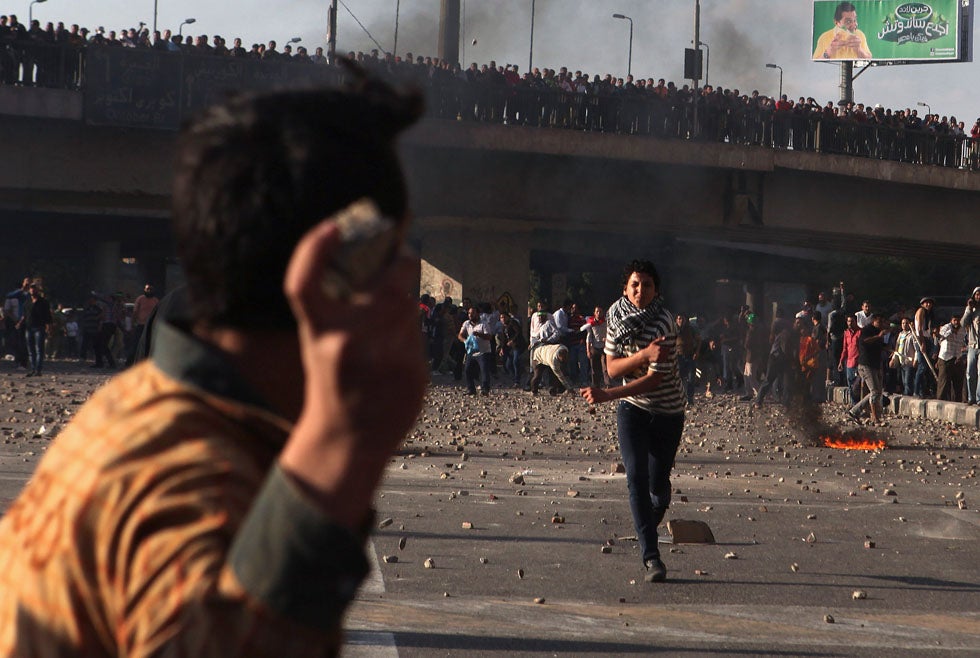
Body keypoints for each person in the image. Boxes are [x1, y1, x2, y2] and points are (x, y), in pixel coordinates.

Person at [0, 70, 429, 654]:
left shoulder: (143, 409)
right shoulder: (195, 479)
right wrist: (340, 450)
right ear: (340, 267)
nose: (408, 275)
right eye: (397, 251)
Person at [579, 259, 684, 583]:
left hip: (667, 412)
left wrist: (610, 394)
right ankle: (652, 557)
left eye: (648, 285)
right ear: (625, 288)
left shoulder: (665, 323)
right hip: (631, 408)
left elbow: (654, 380)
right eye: (635, 284)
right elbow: (611, 368)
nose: (641, 290)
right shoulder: (615, 315)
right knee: (635, 476)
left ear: (657, 290)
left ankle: (657, 507)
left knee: (657, 484)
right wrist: (640, 357)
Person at [848, 313, 888, 424]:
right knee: (874, 391)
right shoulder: (867, 330)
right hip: (866, 365)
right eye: (879, 322)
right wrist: (878, 336)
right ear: (873, 321)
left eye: (882, 322)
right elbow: (865, 341)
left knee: (877, 392)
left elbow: (880, 345)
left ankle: (855, 411)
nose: (881, 324)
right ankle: (874, 418)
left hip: (874, 365)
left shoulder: (877, 331)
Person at [18, 281, 52, 376]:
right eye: (31, 288)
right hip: (29, 328)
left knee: (39, 350)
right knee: (30, 350)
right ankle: (33, 369)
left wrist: (48, 327)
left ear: (38, 290)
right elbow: (24, 315)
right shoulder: (27, 303)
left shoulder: (43, 302)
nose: (32, 290)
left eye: (34, 288)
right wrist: (20, 323)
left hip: (39, 327)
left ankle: (38, 370)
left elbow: (48, 316)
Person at [962, 287, 980, 405]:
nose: (979, 297)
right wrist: (969, 309)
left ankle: (978, 398)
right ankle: (971, 397)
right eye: (977, 295)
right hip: (972, 345)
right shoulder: (971, 309)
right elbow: (963, 323)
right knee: (970, 372)